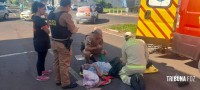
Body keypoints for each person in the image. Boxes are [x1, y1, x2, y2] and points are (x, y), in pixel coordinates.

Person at [47, 0, 78, 89]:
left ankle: (58, 80)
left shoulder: (51, 14)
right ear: (68, 5)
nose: (70, 8)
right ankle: (65, 83)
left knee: (56, 62)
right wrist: (76, 29)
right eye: (70, 6)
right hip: (63, 43)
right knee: (64, 64)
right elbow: (73, 30)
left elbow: (49, 25)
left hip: (54, 42)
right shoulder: (65, 15)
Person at [31, 2, 51, 81]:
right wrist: (47, 19)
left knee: (42, 58)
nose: (45, 10)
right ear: (38, 8)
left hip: (40, 41)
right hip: (41, 42)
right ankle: (39, 76)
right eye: (44, 8)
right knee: (40, 58)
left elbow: (46, 26)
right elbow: (48, 31)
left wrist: (47, 18)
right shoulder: (39, 20)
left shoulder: (36, 18)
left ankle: (43, 71)